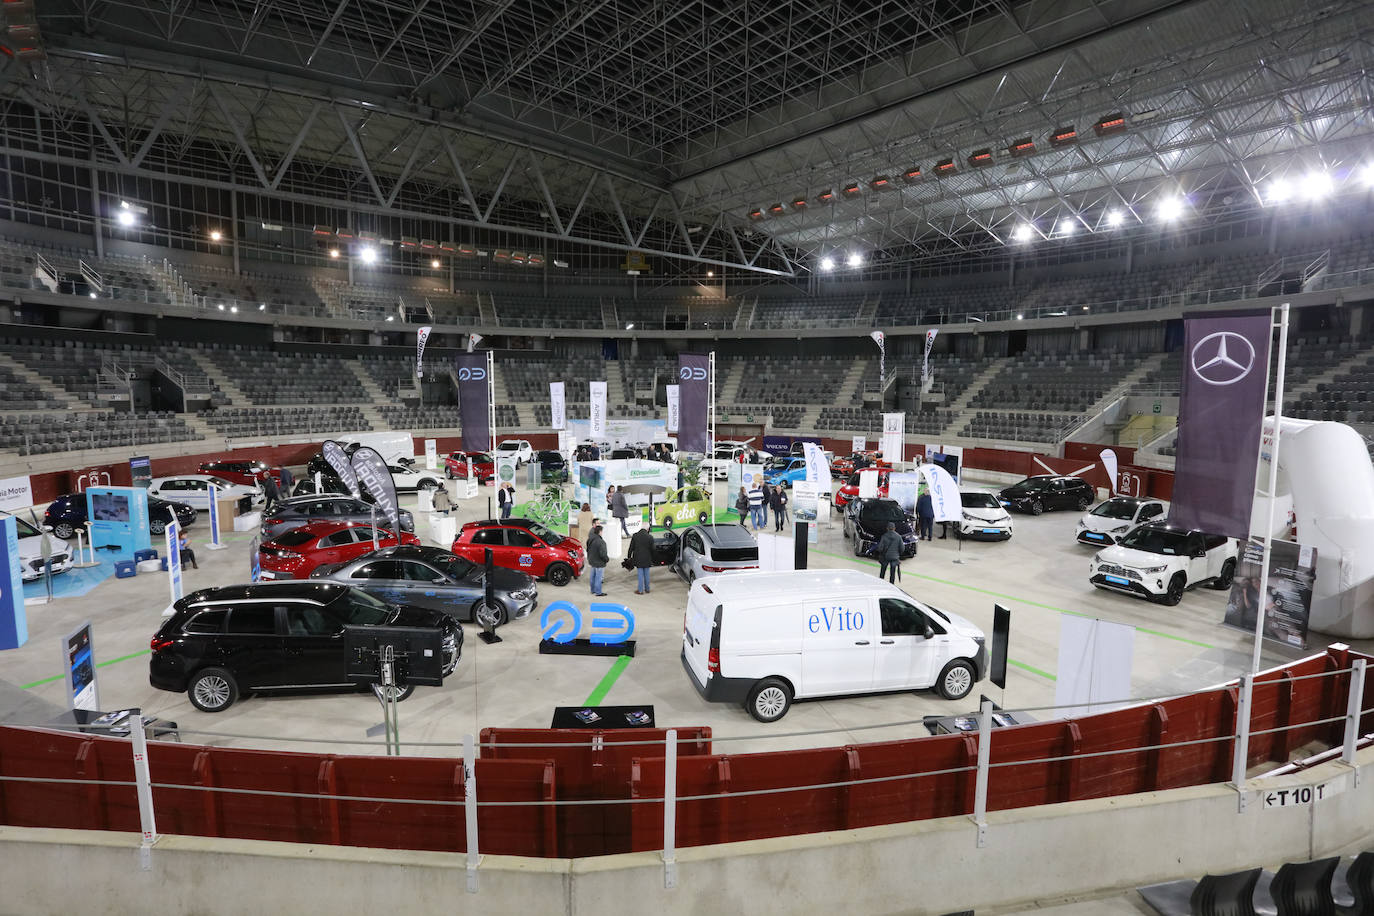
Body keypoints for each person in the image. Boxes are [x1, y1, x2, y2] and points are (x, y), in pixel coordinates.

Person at [628, 524, 654, 594]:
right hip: (647, 559)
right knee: (647, 575)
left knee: (640, 575)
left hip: (638, 559)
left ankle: (640, 590)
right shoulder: (650, 537)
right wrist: (654, 559)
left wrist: (629, 557)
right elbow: (653, 549)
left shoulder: (635, 536)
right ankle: (647, 589)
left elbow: (631, 548)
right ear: (647, 529)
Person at [586, 521, 609, 597]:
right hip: (599, 562)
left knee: (592, 577)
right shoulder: (601, 542)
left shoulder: (589, 539)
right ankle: (598, 592)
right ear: (599, 532)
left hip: (592, 561)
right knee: (598, 578)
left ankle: (592, 590)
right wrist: (607, 559)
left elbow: (587, 549)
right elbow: (603, 554)